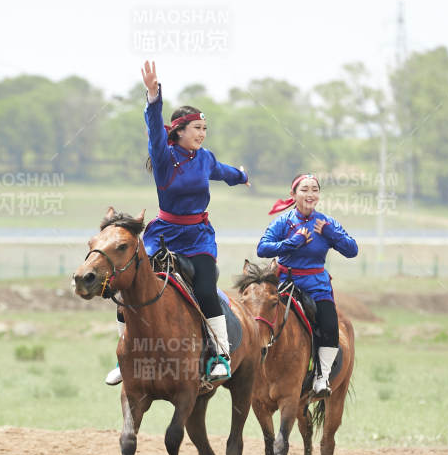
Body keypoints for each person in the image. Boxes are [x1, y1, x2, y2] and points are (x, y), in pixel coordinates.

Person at [105, 60, 250, 385]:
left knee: (204, 287)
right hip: (164, 235)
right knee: (124, 281)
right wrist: (154, 97)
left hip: (198, 238)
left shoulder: (206, 158)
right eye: (197, 128)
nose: (202, 134)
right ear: (180, 131)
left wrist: (241, 176)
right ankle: (123, 357)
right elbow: (155, 128)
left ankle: (220, 356)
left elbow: (224, 172)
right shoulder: (164, 157)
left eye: (205, 130)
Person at [256, 173, 359, 396]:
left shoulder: (326, 222)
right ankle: (256, 371)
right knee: (263, 317)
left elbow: (352, 250)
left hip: (316, 285)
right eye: (304, 189)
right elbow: (262, 248)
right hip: (285, 284)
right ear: (293, 195)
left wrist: (332, 235)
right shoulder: (283, 222)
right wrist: (292, 243)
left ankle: (322, 378)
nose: (310, 194)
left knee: (330, 324)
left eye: (314, 189)